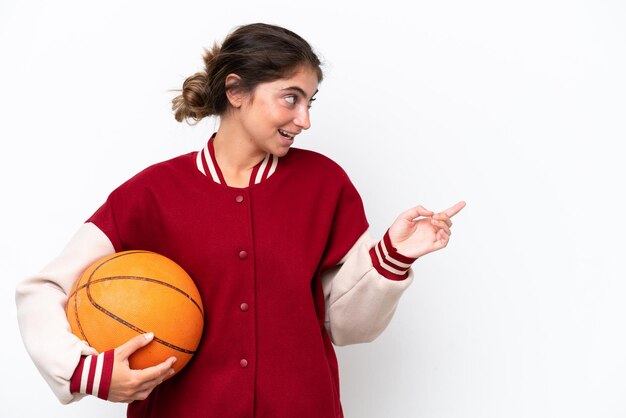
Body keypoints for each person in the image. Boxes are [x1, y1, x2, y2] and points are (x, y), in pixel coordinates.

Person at [15, 22, 465, 418]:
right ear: (235, 91)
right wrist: (83, 371)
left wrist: (392, 258)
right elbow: (44, 290)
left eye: (310, 101)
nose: (305, 119)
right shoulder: (152, 193)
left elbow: (348, 327)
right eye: (291, 98)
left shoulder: (324, 185)